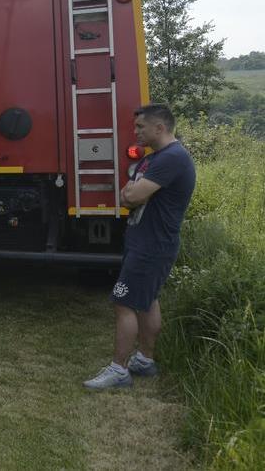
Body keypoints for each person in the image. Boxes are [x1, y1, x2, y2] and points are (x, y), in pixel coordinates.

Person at [84, 104, 196, 390]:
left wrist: (131, 193)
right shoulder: (156, 158)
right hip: (146, 241)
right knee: (147, 300)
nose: (135, 132)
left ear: (159, 128)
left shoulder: (171, 158)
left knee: (123, 302)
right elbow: (129, 195)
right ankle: (145, 361)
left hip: (152, 245)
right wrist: (131, 194)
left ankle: (119, 371)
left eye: (140, 127)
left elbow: (132, 194)